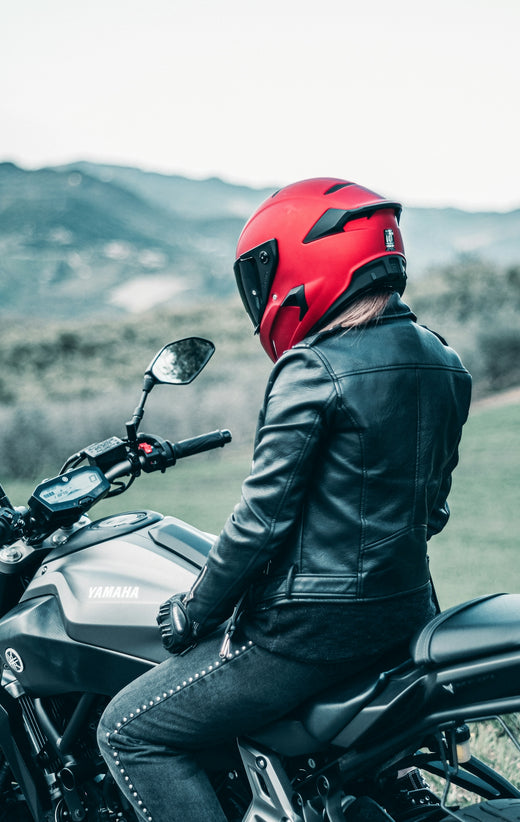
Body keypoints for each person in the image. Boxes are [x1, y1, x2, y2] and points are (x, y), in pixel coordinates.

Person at [97, 178, 472, 822]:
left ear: (303, 262)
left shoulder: (312, 367)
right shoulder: (444, 360)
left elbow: (259, 523)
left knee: (130, 732)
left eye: (265, 270)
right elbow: (431, 511)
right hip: (406, 613)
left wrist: (192, 612)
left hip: (308, 634)